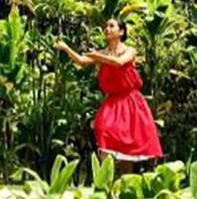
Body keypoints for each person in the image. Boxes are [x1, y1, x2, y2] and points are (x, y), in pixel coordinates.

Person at [54, 18, 163, 174]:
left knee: (129, 139)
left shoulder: (130, 50)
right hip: (112, 101)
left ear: (121, 32)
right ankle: (105, 175)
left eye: (111, 26)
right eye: (106, 26)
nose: (107, 29)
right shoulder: (103, 53)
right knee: (102, 127)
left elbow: (119, 63)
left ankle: (127, 179)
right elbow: (81, 61)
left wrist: (98, 57)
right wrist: (66, 48)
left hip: (130, 100)